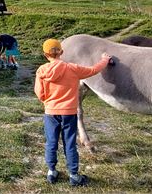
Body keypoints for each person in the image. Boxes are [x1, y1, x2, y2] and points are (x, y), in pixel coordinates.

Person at [34, 38, 111, 187]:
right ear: (62, 52)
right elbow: (93, 70)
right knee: (70, 143)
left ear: (45, 54)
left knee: (51, 142)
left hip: (50, 113)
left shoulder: (41, 71)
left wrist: (47, 101)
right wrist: (104, 60)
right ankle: (74, 176)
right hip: (69, 113)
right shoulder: (73, 68)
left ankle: (51, 172)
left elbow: (39, 93)